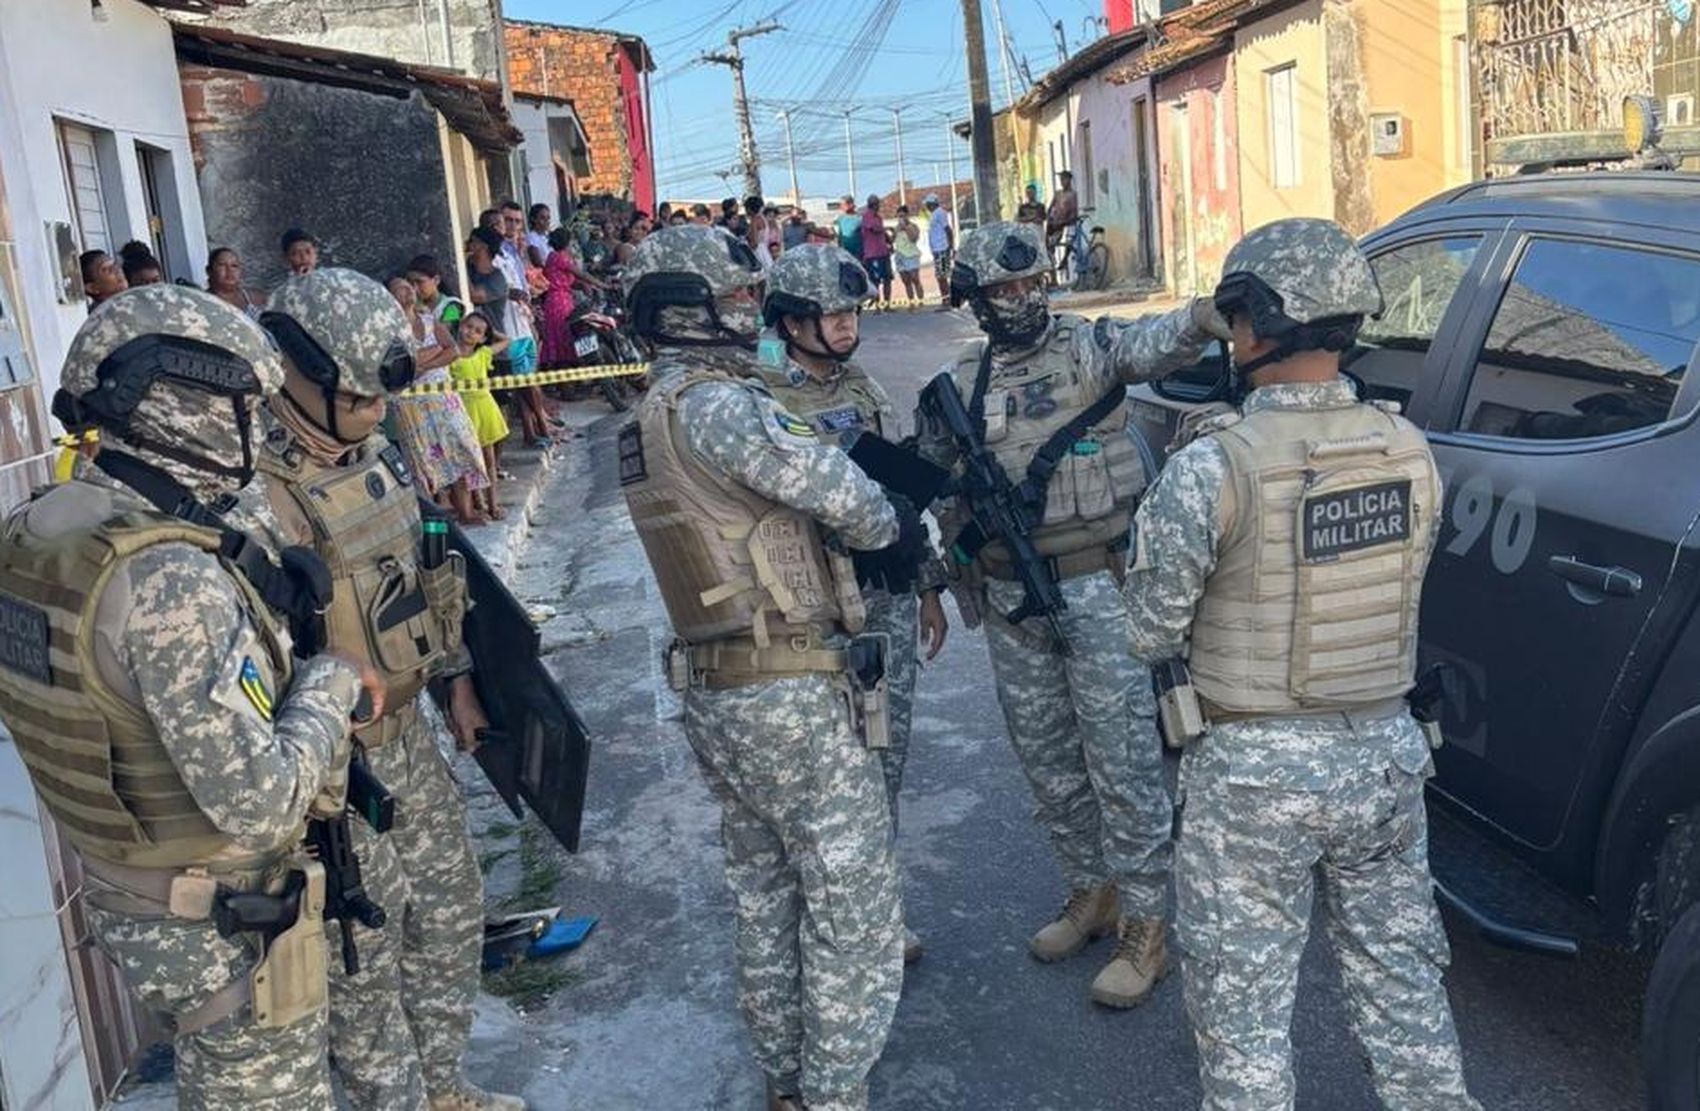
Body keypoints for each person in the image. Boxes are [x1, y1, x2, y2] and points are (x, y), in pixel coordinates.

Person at [1124, 217, 1480, 1111]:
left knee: (1244, 1015)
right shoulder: (1409, 448)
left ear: (1254, 324)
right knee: (1404, 988)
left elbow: (1150, 627)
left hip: (1253, 776)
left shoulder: (1213, 465)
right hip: (1385, 759)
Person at [0, 284, 378, 1110]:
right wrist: (333, 680)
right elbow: (262, 802)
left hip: (137, 894)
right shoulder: (167, 578)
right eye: (245, 406)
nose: (259, 427)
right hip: (220, 924)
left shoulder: (47, 526)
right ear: (186, 405)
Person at [620, 224, 910, 1111]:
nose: (750, 311)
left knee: (766, 892)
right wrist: (891, 515)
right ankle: (833, 1094)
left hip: (720, 683)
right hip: (787, 685)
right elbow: (856, 504)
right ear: (688, 311)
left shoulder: (650, 415)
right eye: (735, 298)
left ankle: (787, 1082)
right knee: (853, 905)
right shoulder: (720, 406)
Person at [915, 220, 1225, 1009]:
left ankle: (1147, 926)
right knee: (1049, 762)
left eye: (1030, 284)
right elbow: (927, 481)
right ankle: (1092, 891)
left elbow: (1153, 345)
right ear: (975, 298)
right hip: (1009, 599)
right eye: (1003, 289)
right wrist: (927, 580)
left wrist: (1203, 316)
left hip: (1096, 588)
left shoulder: (1088, 348)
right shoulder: (963, 378)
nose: (1022, 299)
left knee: (1124, 764)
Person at [255, 268, 519, 1111]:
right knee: (363, 963)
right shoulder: (253, 492)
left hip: (408, 738)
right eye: (359, 396)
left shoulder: (375, 454)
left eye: (380, 395)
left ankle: (440, 1087)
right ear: (299, 374)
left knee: (448, 912)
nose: (375, 411)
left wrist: (456, 682)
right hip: (331, 777)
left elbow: (426, 579)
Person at [760, 242, 950, 964]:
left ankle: (879, 914)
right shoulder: (761, 401)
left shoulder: (862, 386)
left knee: (884, 761)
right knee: (821, 777)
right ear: (791, 322)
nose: (846, 326)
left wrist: (926, 585)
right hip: (810, 610)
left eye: (851, 312)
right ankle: (825, 920)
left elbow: (899, 495)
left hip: (884, 599)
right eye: (829, 314)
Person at [386, 275, 490, 525]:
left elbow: (452, 350)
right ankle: (437, 516)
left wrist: (420, 365)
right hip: (411, 407)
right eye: (399, 288)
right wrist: (431, 353)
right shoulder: (388, 330)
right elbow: (396, 364)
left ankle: (466, 512)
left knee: (460, 448)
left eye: (409, 286)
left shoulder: (430, 321)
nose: (408, 290)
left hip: (444, 399)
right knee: (424, 461)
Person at [449, 309, 511, 520]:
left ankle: (493, 504)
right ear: (460, 326)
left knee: (489, 460)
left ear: (483, 338)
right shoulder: (450, 356)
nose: (470, 332)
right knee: (471, 461)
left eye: (477, 331)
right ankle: (479, 503)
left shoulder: (483, 353)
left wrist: (489, 331)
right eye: (468, 326)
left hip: (484, 410)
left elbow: (506, 340)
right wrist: (481, 330)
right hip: (463, 412)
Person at [407, 254, 468, 330]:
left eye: (420, 282)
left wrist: (426, 315)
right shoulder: (410, 303)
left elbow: (444, 331)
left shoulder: (454, 306)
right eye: (410, 283)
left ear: (436, 280)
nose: (414, 288)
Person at [207, 247, 264, 319]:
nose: (229, 270)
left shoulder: (255, 298)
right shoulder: (204, 302)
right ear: (209, 271)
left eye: (234, 266)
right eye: (222, 265)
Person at [858, 195, 893, 304]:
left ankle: (887, 304)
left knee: (887, 279)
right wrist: (886, 228)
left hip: (883, 252)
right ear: (873, 204)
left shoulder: (879, 217)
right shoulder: (866, 216)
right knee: (876, 281)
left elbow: (881, 233)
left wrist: (889, 241)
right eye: (877, 204)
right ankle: (877, 304)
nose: (879, 206)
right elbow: (875, 228)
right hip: (873, 255)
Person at [923, 194, 953, 307]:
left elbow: (948, 229)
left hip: (942, 249)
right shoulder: (934, 214)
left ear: (931, 204)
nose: (926, 206)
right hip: (937, 250)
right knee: (941, 276)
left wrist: (950, 246)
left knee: (942, 276)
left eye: (927, 204)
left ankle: (947, 300)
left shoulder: (940, 213)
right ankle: (947, 299)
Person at [891, 205, 924, 302]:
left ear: (907, 215)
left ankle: (921, 300)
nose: (900, 218)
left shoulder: (913, 226)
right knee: (906, 281)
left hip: (911, 255)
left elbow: (914, 238)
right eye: (899, 216)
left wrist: (905, 228)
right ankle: (911, 301)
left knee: (915, 278)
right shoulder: (897, 228)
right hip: (900, 256)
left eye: (902, 216)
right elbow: (892, 240)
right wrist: (892, 232)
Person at [1045, 170, 1079, 256]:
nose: (1062, 182)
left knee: (1069, 241)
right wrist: (1048, 216)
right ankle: (1050, 253)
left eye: (1064, 179)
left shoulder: (1072, 194)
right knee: (1049, 240)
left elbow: (1074, 210)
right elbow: (1051, 206)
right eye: (1061, 180)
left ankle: (1065, 259)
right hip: (1055, 221)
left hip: (1066, 221)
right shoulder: (1058, 193)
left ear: (1069, 180)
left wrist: (1068, 220)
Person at [834, 195, 863, 260]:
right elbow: (840, 236)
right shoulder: (840, 219)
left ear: (850, 205)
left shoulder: (860, 218)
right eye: (840, 205)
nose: (841, 207)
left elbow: (865, 236)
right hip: (845, 254)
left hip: (858, 254)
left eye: (843, 204)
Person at [525, 203, 553, 268]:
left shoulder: (547, 237)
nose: (547, 221)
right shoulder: (532, 237)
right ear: (533, 219)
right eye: (542, 218)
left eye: (548, 218)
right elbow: (537, 263)